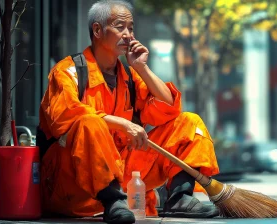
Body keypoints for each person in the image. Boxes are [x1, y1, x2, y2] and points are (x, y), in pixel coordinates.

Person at [38, 1, 220, 223]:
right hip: (71, 185)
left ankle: (180, 197)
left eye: (131, 28)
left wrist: (141, 68)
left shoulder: (129, 76)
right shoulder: (68, 71)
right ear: (97, 30)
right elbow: (64, 117)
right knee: (90, 123)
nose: (128, 35)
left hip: (124, 179)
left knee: (189, 122)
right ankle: (111, 199)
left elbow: (168, 109)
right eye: (120, 26)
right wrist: (122, 124)